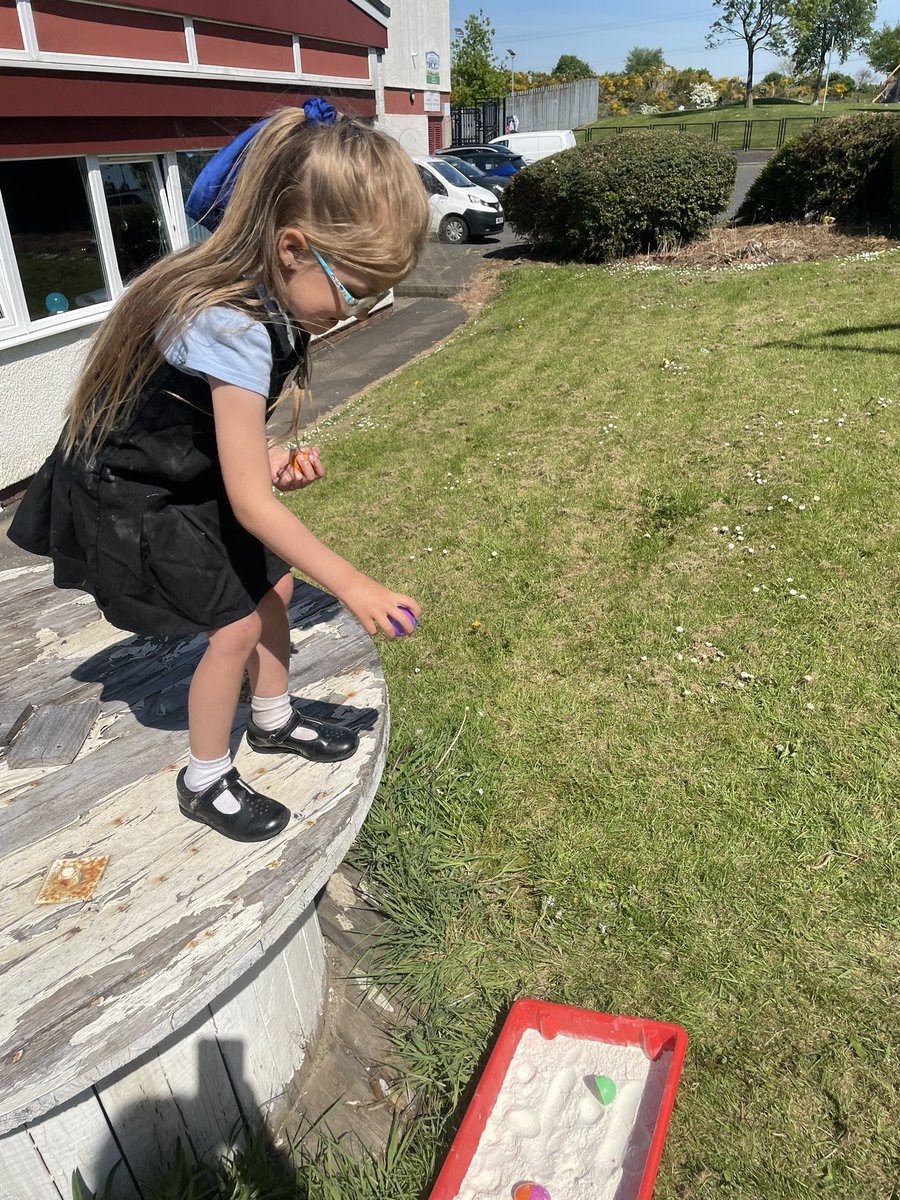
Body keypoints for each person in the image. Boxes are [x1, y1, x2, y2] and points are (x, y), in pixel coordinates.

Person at [8, 99, 429, 843]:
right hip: (133, 496)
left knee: (277, 584)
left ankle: (270, 719)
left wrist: (265, 462)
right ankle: (204, 778)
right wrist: (356, 584)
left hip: (175, 472)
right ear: (294, 247)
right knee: (233, 625)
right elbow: (245, 500)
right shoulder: (230, 323)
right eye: (356, 291)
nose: (357, 312)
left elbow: (208, 440)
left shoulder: (261, 301)